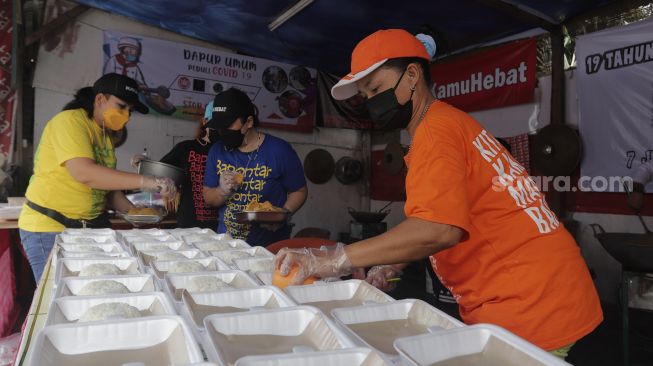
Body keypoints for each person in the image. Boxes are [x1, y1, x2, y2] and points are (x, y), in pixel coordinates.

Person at [275, 29, 602, 358]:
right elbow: (438, 216)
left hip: (530, 304)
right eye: (365, 94)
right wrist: (389, 264)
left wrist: (334, 259)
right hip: (551, 289)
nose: (372, 102)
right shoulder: (448, 123)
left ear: (413, 75)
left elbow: (437, 229)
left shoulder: (436, 131)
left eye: (376, 88)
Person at [19, 73, 176, 281]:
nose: (126, 115)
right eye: (121, 106)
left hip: (89, 229)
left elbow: (106, 189)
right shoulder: (70, 122)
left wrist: (134, 213)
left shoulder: (105, 136)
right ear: (100, 100)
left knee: (94, 288)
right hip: (50, 229)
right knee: (57, 295)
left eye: (130, 111)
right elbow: (85, 173)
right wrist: (146, 181)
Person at [203, 88, 308, 246]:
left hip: (270, 247)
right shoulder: (217, 150)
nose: (222, 131)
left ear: (249, 122)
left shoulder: (279, 150)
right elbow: (209, 197)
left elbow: (299, 191)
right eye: (219, 126)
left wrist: (284, 214)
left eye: (228, 125)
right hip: (226, 246)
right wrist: (222, 191)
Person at [133, 103, 219, 228]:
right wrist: (142, 163)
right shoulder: (187, 148)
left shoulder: (228, 152)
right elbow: (157, 173)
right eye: (217, 123)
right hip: (189, 223)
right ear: (205, 121)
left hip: (220, 224)